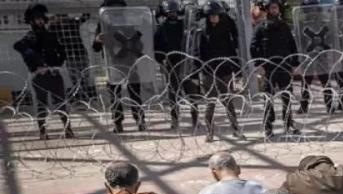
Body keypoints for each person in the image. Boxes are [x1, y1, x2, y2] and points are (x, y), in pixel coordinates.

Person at [14, 4, 75, 140]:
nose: (40, 21)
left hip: (54, 73)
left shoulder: (51, 36)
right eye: (37, 19)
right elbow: (22, 51)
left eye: (42, 18)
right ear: (31, 21)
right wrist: (36, 67)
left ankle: (68, 129)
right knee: (41, 104)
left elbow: (62, 52)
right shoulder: (28, 38)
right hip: (39, 75)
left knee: (61, 102)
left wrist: (56, 65)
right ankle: (43, 132)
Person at [92, 0, 146, 134]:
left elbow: (139, 44)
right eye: (113, 8)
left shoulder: (128, 24)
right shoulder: (103, 25)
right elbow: (96, 48)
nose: (116, 11)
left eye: (118, 8)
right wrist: (97, 40)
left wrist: (133, 46)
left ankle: (140, 119)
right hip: (112, 64)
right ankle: (117, 122)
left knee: (135, 93)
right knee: (114, 95)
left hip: (129, 63)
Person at [250, 0, 300, 137]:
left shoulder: (284, 26)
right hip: (268, 68)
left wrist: (295, 63)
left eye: (276, 8)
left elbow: (292, 45)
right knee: (268, 98)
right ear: (268, 10)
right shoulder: (261, 27)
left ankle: (288, 124)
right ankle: (268, 127)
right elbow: (253, 47)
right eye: (272, 8)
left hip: (284, 66)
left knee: (286, 96)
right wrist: (259, 64)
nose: (274, 10)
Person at [197, 1, 242, 142]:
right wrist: (197, 71)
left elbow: (232, 51)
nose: (213, 17)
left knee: (228, 101)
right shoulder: (203, 32)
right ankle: (209, 132)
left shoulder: (226, 30)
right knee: (210, 104)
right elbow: (198, 53)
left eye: (216, 15)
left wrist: (237, 70)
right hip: (209, 72)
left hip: (225, 70)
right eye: (211, 15)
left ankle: (236, 129)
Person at [154, 0, 200, 129]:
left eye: (174, 12)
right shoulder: (162, 28)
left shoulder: (183, 26)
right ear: (166, 13)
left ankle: (195, 118)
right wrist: (161, 60)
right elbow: (156, 48)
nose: (172, 14)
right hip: (170, 63)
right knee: (173, 93)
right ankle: (174, 119)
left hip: (185, 62)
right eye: (170, 12)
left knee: (191, 92)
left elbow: (191, 41)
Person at [297, 0, 335, 114]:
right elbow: (299, 40)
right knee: (306, 81)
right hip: (307, 56)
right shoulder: (302, 24)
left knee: (325, 80)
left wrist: (323, 47)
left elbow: (330, 38)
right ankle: (304, 105)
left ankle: (329, 105)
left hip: (321, 55)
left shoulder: (323, 23)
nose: (311, 12)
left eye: (313, 9)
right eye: (309, 10)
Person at [48, 13, 94, 101]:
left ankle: (84, 97)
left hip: (80, 54)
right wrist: (52, 22)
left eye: (63, 17)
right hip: (69, 56)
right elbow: (49, 32)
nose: (62, 20)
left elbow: (85, 16)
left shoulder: (72, 23)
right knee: (75, 79)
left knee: (84, 77)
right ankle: (80, 98)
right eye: (60, 17)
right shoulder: (55, 27)